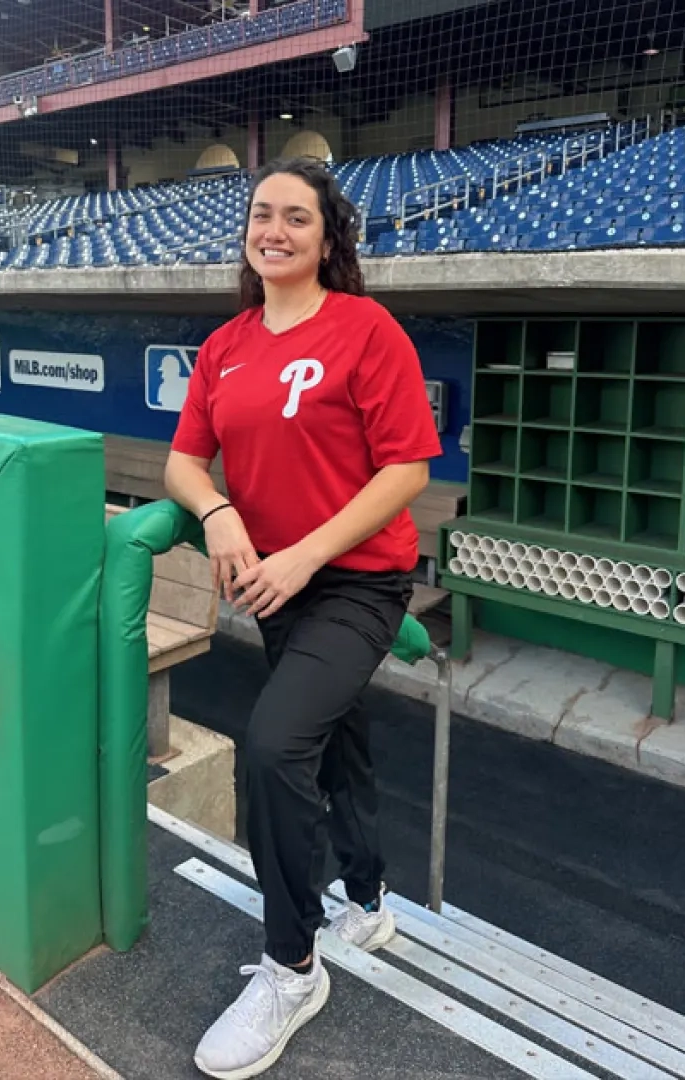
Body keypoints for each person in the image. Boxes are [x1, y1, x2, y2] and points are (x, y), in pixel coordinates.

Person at [164, 157, 441, 1079]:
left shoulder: (366, 330)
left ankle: (293, 964)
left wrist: (305, 553)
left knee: (275, 747)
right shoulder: (228, 344)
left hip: (353, 583)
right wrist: (217, 512)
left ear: (328, 239)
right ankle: (366, 894)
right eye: (260, 214)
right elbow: (183, 462)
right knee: (338, 741)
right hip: (273, 585)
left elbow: (407, 473)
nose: (272, 230)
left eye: (295, 217)